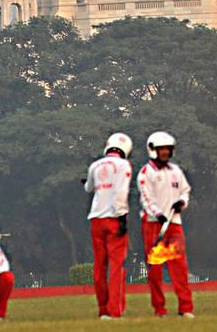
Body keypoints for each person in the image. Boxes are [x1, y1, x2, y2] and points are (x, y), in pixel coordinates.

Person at [138, 131, 194, 318]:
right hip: (153, 226)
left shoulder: (175, 171)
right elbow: (147, 199)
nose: (165, 153)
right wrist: (159, 215)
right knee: (155, 270)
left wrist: (182, 203)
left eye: (168, 149)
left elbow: (185, 191)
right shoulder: (146, 173)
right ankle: (159, 309)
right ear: (153, 150)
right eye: (162, 149)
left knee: (180, 268)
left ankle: (185, 309)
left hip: (174, 224)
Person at [85, 132, 134, 320]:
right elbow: (120, 192)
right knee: (116, 266)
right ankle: (115, 311)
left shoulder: (95, 165)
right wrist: (122, 216)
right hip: (114, 218)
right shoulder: (123, 165)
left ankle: (103, 310)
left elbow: (88, 187)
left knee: (99, 266)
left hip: (95, 218)